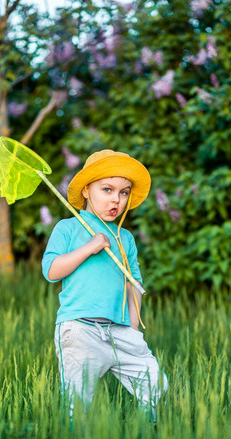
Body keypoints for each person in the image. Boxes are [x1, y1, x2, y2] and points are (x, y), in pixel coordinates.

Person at [42, 149, 168, 420]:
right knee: (78, 405)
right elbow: (51, 271)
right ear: (87, 190)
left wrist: (133, 327)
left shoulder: (126, 238)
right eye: (107, 189)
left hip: (120, 331)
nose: (116, 199)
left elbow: (134, 282)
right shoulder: (68, 228)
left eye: (123, 192)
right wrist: (89, 247)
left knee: (155, 383)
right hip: (80, 330)